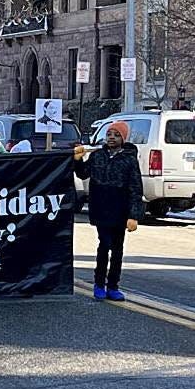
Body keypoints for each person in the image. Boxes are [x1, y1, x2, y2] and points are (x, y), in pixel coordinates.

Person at [74, 121, 143, 302]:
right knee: (104, 245)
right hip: (101, 208)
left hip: (120, 210)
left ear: (123, 138)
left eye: (116, 134)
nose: (112, 137)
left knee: (118, 249)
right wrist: (78, 160)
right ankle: (99, 284)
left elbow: (136, 188)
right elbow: (83, 174)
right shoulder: (97, 156)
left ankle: (113, 285)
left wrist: (133, 215)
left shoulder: (129, 160)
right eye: (109, 134)